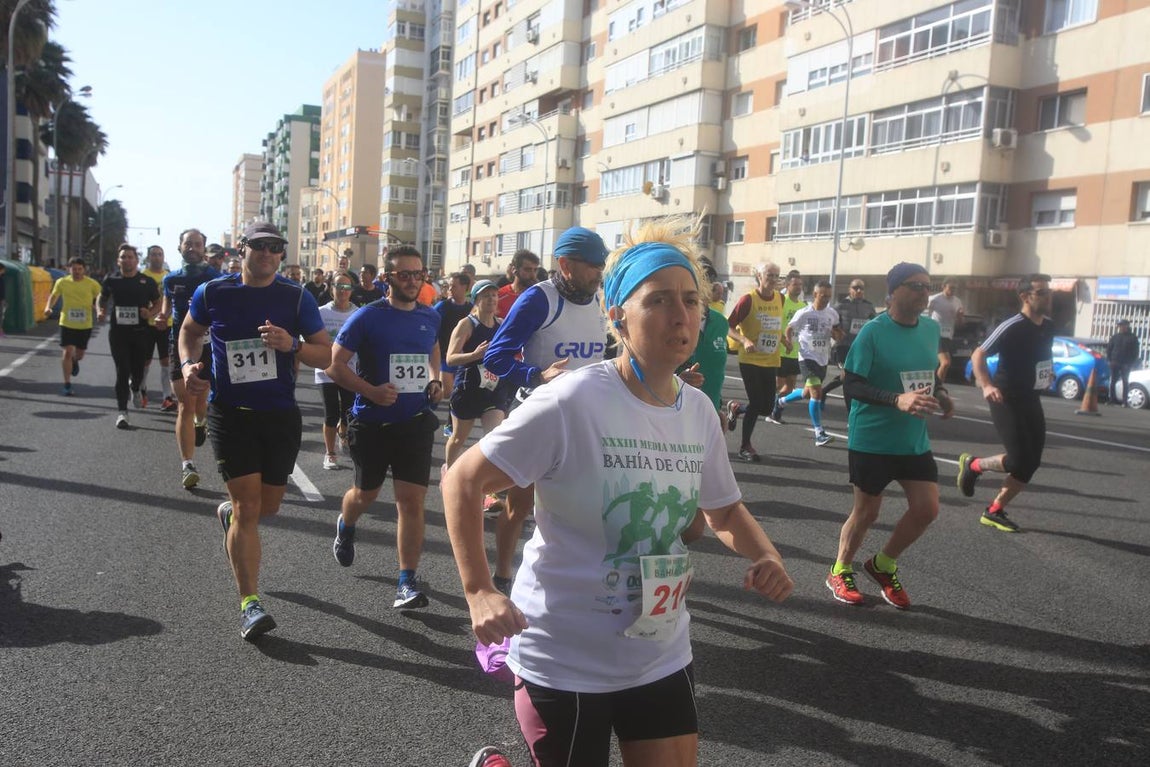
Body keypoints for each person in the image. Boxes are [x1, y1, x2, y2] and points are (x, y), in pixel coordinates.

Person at [443, 219, 793, 767]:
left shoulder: (699, 410)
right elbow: (463, 479)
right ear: (617, 316)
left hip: (659, 648)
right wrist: (479, 591)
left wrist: (764, 553)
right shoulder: (572, 400)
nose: (681, 315)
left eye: (690, 300)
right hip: (566, 653)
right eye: (658, 300)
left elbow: (722, 508)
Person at [180, 222, 329, 641]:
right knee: (248, 507)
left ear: (282, 254)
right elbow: (189, 332)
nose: (267, 253)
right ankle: (250, 603)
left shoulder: (296, 297)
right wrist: (191, 364)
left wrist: (293, 345)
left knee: (268, 507)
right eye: (259, 246)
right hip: (231, 413)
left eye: (276, 247)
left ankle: (228, 515)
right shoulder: (213, 292)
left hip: (280, 414)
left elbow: (327, 353)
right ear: (241, 249)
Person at [483, 226, 609, 596]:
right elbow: (496, 356)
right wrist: (537, 375)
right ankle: (503, 575)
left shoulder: (601, 299)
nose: (599, 272)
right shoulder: (540, 299)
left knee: (582, 507)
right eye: (592, 266)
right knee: (519, 506)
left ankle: (573, 581)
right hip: (541, 416)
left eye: (602, 265)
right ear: (565, 264)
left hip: (588, 419)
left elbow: (610, 356)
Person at [826, 262, 954, 610]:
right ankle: (840, 568)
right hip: (872, 438)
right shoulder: (873, 331)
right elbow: (852, 384)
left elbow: (929, 374)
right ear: (894, 290)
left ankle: (883, 564)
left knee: (927, 508)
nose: (924, 292)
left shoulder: (929, 329)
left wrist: (940, 394)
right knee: (867, 512)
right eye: (915, 285)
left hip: (912, 439)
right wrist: (896, 399)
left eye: (928, 286)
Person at [326, 245, 444, 609]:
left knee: (412, 503)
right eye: (404, 275)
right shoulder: (367, 318)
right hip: (372, 423)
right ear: (387, 279)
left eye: (418, 274)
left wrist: (436, 378)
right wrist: (371, 392)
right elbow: (335, 366)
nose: (412, 280)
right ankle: (346, 524)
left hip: (414, 423)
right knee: (366, 496)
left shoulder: (430, 316)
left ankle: (406, 582)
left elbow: (433, 348)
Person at [957, 274, 1055, 533]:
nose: (1048, 297)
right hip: (1005, 397)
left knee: (1031, 462)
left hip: (1031, 398)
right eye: (1042, 292)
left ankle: (994, 510)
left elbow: (1043, 356)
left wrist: (1048, 372)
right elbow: (979, 353)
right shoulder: (1012, 325)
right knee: (1020, 459)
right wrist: (987, 385)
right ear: (1025, 297)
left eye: (1049, 291)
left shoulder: (1048, 326)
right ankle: (975, 465)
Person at [161, 228, 222, 489]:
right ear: (179, 247)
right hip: (180, 344)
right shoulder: (171, 279)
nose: (192, 248)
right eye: (188, 244)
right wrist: (161, 317)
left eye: (198, 244)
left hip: (209, 345)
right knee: (185, 402)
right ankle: (187, 465)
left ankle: (202, 420)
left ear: (204, 248)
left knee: (201, 398)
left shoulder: (216, 277)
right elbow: (166, 308)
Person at [725, 262, 791, 462]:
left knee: (765, 407)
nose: (773, 279)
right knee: (756, 402)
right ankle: (745, 446)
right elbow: (728, 326)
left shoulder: (780, 298)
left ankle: (736, 408)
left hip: (770, 359)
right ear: (759, 277)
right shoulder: (748, 300)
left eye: (776, 275)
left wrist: (783, 340)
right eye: (769, 275)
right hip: (750, 359)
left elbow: (773, 324)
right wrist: (744, 340)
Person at [443, 279, 512, 471]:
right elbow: (450, 358)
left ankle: (486, 483)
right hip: (468, 388)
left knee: (494, 437)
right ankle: (449, 472)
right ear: (476, 300)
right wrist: (475, 355)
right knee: (458, 438)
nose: (491, 299)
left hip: (493, 388)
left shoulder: (502, 324)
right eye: (485, 296)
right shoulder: (466, 324)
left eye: (494, 295)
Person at [98, 245, 160, 429]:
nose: (127, 260)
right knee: (122, 370)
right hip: (118, 334)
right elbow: (101, 298)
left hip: (140, 334)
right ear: (119, 261)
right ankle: (122, 412)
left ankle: (136, 388)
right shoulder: (112, 279)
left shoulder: (146, 281)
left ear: (136, 260)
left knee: (138, 371)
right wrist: (100, 310)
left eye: (130, 257)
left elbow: (159, 302)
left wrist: (149, 313)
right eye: (123, 257)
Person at [779, 280, 843, 447]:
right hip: (806, 357)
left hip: (822, 358)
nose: (826, 299)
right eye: (823, 296)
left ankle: (779, 403)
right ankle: (819, 433)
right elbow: (790, 328)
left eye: (829, 296)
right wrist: (789, 341)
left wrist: (837, 335)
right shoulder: (804, 313)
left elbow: (838, 332)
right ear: (815, 294)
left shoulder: (832, 313)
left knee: (807, 393)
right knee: (816, 393)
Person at [315, 271, 358, 470]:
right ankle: (330, 453)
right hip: (326, 370)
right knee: (331, 414)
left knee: (347, 413)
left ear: (351, 291)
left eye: (346, 287)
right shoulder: (321, 312)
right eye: (338, 286)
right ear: (331, 289)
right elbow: (309, 338)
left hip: (349, 371)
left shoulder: (358, 313)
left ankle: (344, 435)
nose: (342, 291)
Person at [43, 257, 102, 396]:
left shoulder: (92, 283)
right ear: (69, 269)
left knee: (79, 354)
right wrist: (48, 307)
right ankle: (67, 384)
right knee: (67, 351)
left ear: (84, 269)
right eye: (74, 269)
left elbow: (100, 297)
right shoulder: (62, 282)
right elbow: (54, 295)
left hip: (85, 324)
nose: (77, 272)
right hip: (67, 322)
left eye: (79, 269)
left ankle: (75, 361)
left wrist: (99, 309)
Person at [821, 278, 877, 413]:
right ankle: (850, 411)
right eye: (856, 288)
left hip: (860, 347)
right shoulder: (840, 305)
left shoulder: (868, 306)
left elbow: (874, 323)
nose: (859, 291)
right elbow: (830, 322)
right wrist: (836, 333)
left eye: (861, 288)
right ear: (849, 290)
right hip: (843, 346)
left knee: (850, 376)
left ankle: (824, 391)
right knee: (847, 376)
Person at [141, 245, 176, 411]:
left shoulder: (169, 277)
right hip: (146, 326)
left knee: (165, 362)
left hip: (165, 325)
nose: (157, 257)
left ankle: (167, 397)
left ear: (164, 257)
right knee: (145, 361)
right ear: (148, 257)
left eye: (160, 254)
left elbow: (172, 301)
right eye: (153, 254)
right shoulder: (142, 277)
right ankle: (141, 389)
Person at [770, 270, 807, 424]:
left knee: (790, 388)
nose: (798, 287)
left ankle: (776, 410)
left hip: (796, 353)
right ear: (787, 285)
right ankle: (770, 410)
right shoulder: (781, 301)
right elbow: (774, 324)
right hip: (781, 350)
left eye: (800, 285)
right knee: (778, 385)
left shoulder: (803, 305)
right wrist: (784, 340)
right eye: (794, 284)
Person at [433, 271, 474, 405]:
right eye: (449, 285)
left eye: (453, 286)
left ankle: (453, 422)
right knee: (447, 393)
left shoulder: (471, 309)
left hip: (464, 358)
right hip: (445, 356)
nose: (450, 289)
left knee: (460, 393)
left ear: (465, 288)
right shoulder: (442, 307)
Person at [927, 278, 964, 383]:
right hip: (936, 334)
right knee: (945, 362)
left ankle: (939, 386)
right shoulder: (934, 299)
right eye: (951, 287)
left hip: (948, 335)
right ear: (943, 286)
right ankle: (937, 387)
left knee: (943, 364)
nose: (953, 290)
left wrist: (960, 317)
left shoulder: (957, 301)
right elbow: (923, 315)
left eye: (955, 288)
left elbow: (960, 324)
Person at [496, 249, 540, 319]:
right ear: (514, 270)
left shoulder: (540, 296)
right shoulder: (498, 296)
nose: (533, 275)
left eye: (535, 270)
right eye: (527, 270)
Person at [1107, 319, 1140, 406]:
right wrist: (1110, 360)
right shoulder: (1115, 337)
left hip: (1126, 363)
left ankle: (1124, 401)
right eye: (1120, 326)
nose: (1122, 327)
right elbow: (1109, 349)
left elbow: (1135, 352)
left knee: (1125, 381)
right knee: (1113, 381)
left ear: (1127, 326)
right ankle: (1111, 399)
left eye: (1123, 325)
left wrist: (1131, 363)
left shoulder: (1132, 338)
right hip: (1115, 362)